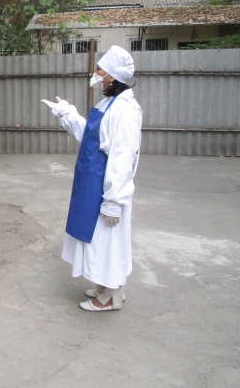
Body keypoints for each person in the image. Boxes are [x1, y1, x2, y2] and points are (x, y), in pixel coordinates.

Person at [41, 45, 143, 312]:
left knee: (108, 240)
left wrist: (114, 198)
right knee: (96, 238)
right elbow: (92, 136)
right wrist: (69, 114)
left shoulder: (125, 110)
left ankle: (112, 296)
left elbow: (122, 155)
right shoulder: (108, 103)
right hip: (92, 181)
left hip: (106, 186)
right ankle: (106, 285)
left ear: (114, 76)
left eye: (101, 71)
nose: (97, 76)